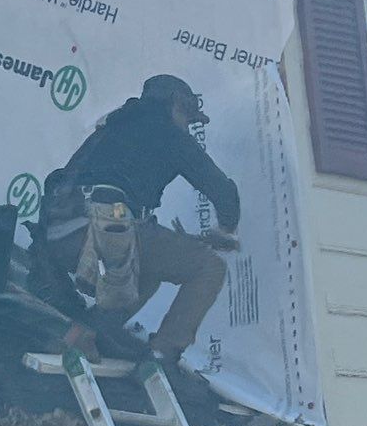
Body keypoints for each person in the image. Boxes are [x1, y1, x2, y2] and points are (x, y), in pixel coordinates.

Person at [37, 74, 240, 361]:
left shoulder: (113, 126)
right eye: (188, 118)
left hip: (62, 236)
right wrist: (226, 229)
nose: (188, 127)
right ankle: (163, 354)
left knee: (152, 264)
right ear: (176, 103)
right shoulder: (167, 131)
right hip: (105, 229)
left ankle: (89, 332)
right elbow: (222, 191)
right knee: (209, 266)